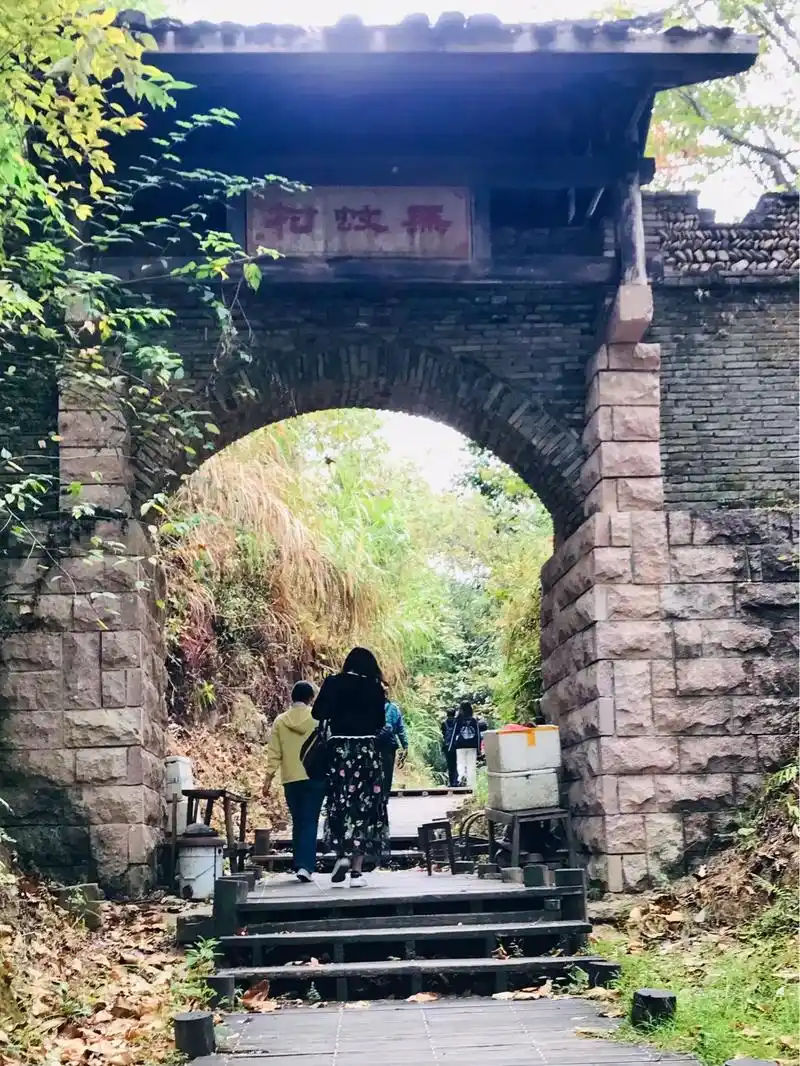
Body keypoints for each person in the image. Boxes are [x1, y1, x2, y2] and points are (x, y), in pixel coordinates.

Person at [312, 647, 390, 886]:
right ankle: (356, 871)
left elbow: (318, 714)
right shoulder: (374, 687)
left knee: (340, 802)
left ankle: (341, 855)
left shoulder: (333, 683)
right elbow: (379, 722)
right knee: (364, 807)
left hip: (340, 753)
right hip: (367, 753)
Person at [261, 680, 324, 883]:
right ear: (310, 698)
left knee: (298, 821)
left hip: (291, 779)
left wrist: (268, 779)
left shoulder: (280, 721)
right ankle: (305, 866)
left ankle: (299, 864)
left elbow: (274, 753)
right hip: (314, 777)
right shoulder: (318, 719)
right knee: (310, 821)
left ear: (292, 698)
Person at [450, 701, 487, 789]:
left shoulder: (458, 720)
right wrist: (479, 748)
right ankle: (471, 784)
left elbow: (454, 734)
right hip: (472, 745)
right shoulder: (474, 720)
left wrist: (451, 747)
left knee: (460, 763)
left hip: (460, 745)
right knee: (471, 765)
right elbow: (478, 735)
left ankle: (462, 776)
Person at [382, 697, 408, 794]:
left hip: (373, 744)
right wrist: (405, 746)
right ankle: (385, 795)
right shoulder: (393, 708)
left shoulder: (369, 706)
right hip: (389, 744)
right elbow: (400, 730)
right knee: (387, 772)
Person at [441, 708, 459, 787]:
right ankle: (456, 781)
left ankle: (452, 782)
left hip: (447, 746)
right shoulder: (457, 723)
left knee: (450, 764)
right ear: (454, 714)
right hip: (456, 746)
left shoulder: (444, 723)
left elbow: (443, 735)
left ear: (447, 714)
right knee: (457, 763)